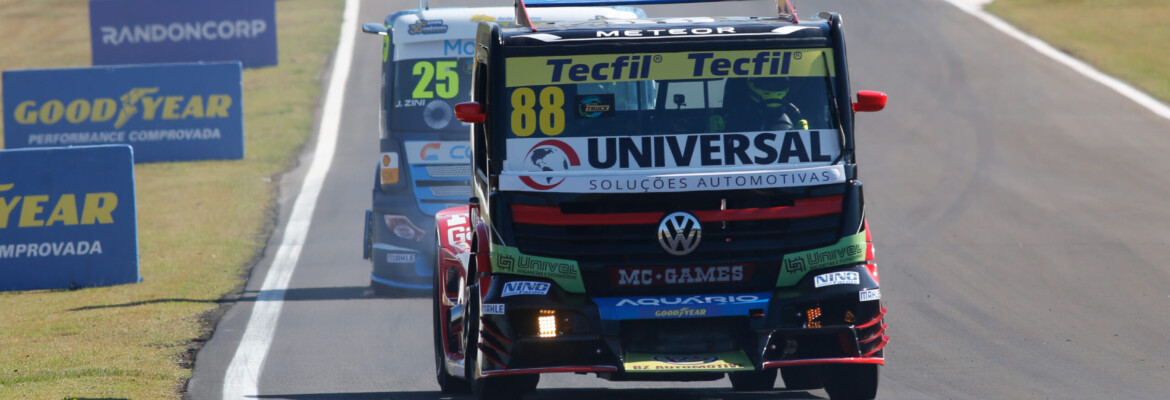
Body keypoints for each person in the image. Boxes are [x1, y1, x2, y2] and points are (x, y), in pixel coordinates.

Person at [710, 76, 808, 132]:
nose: (772, 89)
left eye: (777, 85)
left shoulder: (794, 116)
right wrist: (714, 132)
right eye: (767, 84)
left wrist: (804, 135)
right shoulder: (733, 118)